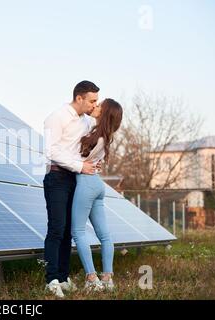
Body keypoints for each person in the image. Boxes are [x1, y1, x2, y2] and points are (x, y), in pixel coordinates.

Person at [43, 80, 100, 298]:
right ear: (79, 98)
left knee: (69, 229)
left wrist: (93, 162)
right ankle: (51, 280)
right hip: (57, 177)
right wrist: (80, 166)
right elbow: (51, 151)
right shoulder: (56, 117)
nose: (95, 105)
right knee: (56, 228)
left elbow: (85, 149)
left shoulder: (86, 121)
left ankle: (64, 277)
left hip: (77, 178)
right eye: (92, 100)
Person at [71, 98, 123, 292]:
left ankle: (92, 279)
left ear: (105, 113)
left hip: (86, 184)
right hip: (97, 185)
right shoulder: (105, 137)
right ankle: (107, 278)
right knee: (105, 235)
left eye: (100, 105)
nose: (96, 106)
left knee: (78, 231)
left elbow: (75, 158)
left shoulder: (95, 137)